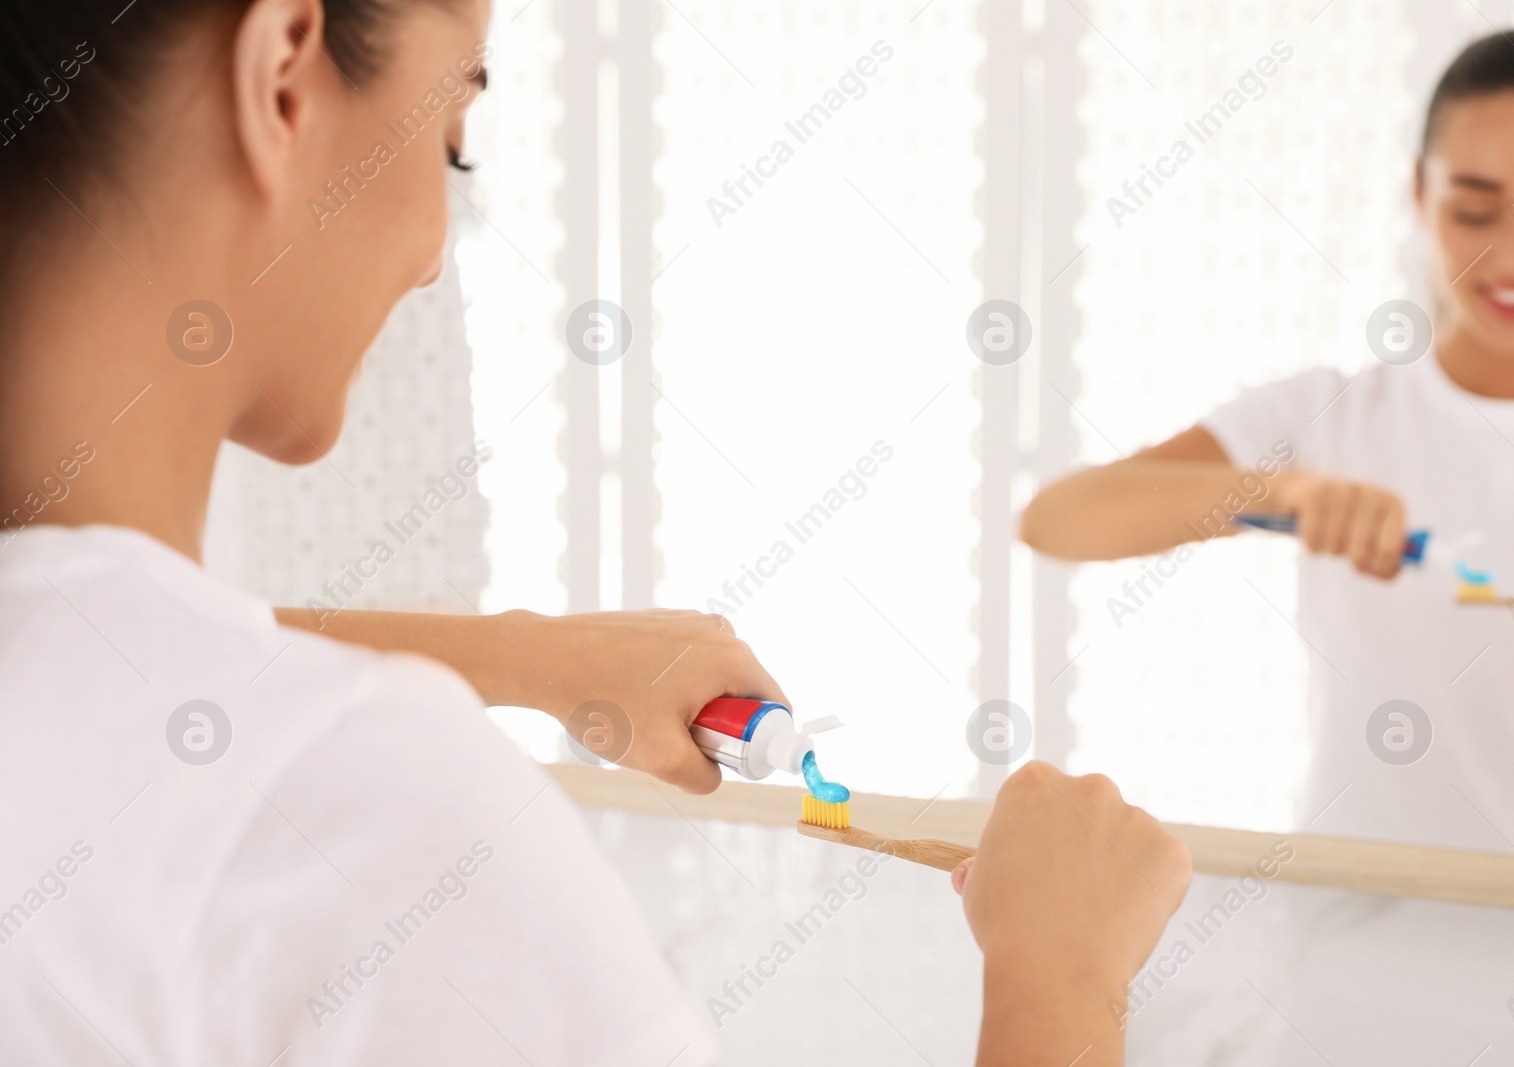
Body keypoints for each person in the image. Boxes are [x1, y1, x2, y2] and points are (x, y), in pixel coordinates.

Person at [0, 1, 1189, 1064]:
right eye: (453, 137)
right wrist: (1062, 978)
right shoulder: (376, 807)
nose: (431, 259)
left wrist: (520, 655)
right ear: (284, 77)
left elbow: (136, 670)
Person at [1023, 27, 1514, 1062]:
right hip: (1345, 985)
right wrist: (1270, 492)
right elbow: (1060, 517)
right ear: (1416, 196)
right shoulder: (1330, 415)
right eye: (1474, 207)